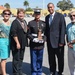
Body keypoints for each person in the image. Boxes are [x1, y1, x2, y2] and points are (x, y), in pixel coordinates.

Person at [45, 3, 66, 75]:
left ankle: (60, 72)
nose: (50, 9)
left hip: (58, 42)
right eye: (48, 7)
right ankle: (52, 71)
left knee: (60, 58)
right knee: (51, 58)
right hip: (50, 42)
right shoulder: (47, 17)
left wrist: (62, 41)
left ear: (54, 7)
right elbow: (47, 29)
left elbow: (63, 29)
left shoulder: (60, 16)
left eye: (51, 7)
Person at [27, 10, 46, 75]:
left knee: (40, 59)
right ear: (34, 15)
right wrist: (33, 39)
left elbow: (46, 34)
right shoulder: (30, 23)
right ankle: (34, 71)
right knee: (33, 59)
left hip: (41, 44)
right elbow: (28, 34)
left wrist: (44, 39)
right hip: (33, 45)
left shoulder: (43, 23)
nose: (37, 15)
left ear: (40, 15)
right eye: (36, 14)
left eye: (38, 14)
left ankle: (39, 71)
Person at [10, 8, 28, 75]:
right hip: (16, 44)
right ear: (17, 14)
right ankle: (15, 72)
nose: (21, 15)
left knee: (21, 58)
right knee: (16, 59)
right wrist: (17, 43)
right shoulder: (15, 22)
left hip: (23, 43)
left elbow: (25, 32)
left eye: (22, 13)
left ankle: (20, 71)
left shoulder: (24, 22)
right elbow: (13, 33)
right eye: (19, 13)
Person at [0, 9, 11, 75]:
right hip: (2, 40)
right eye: (5, 13)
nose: (6, 15)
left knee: (5, 57)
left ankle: (1, 72)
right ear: (3, 14)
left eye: (8, 14)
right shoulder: (0, 22)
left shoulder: (11, 22)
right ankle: (4, 73)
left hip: (8, 41)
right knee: (4, 58)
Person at [66, 11, 75, 75]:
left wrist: (71, 42)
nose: (72, 17)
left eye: (74, 15)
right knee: (71, 64)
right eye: (71, 16)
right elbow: (67, 35)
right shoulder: (68, 25)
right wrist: (68, 43)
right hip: (70, 48)